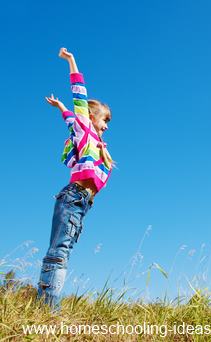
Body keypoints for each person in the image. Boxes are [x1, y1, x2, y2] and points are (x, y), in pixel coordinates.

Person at [37, 47, 114, 311]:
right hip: (73, 197)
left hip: (82, 202)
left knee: (62, 252)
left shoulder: (99, 147)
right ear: (92, 117)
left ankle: (45, 307)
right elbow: (78, 98)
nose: (106, 126)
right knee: (58, 254)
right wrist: (71, 61)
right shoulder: (84, 130)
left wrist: (60, 108)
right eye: (105, 120)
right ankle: (48, 310)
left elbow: (69, 116)